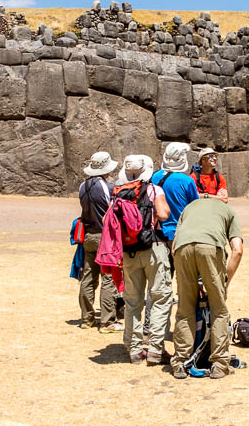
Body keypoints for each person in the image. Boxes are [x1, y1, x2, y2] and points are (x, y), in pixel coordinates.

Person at [167, 196, 244, 378]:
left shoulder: (189, 208)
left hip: (181, 249)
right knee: (219, 310)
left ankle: (180, 362)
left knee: (185, 309)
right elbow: (237, 250)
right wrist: (224, 282)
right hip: (211, 246)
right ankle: (219, 363)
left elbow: (174, 247)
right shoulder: (228, 211)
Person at [115, 154, 174, 365]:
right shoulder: (153, 189)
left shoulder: (119, 193)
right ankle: (156, 350)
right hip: (153, 249)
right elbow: (164, 214)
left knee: (132, 302)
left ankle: (134, 349)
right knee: (159, 298)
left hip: (129, 251)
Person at [75, 152, 122, 330]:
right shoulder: (107, 188)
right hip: (105, 237)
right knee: (108, 277)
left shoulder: (82, 186)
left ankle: (86, 318)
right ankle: (107, 320)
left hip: (88, 235)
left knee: (88, 276)